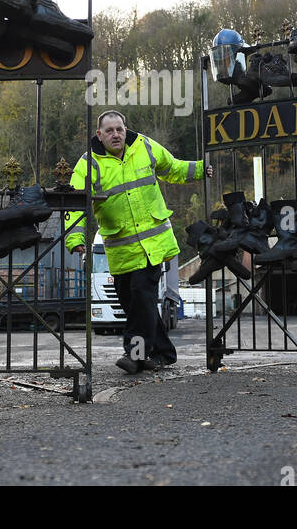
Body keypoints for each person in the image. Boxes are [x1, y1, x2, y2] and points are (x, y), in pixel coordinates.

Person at [65, 110, 211, 374]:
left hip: (152, 247)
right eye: (109, 131)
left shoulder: (144, 145)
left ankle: (134, 355)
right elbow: (75, 205)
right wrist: (75, 238)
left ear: (125, 129)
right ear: (99, 135)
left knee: (142, 296)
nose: (115, 134)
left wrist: (201, 168)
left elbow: (173, 167)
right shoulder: (88, 164)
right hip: (120, 252)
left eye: (119, 129)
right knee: (135, 305)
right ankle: (164, 353)